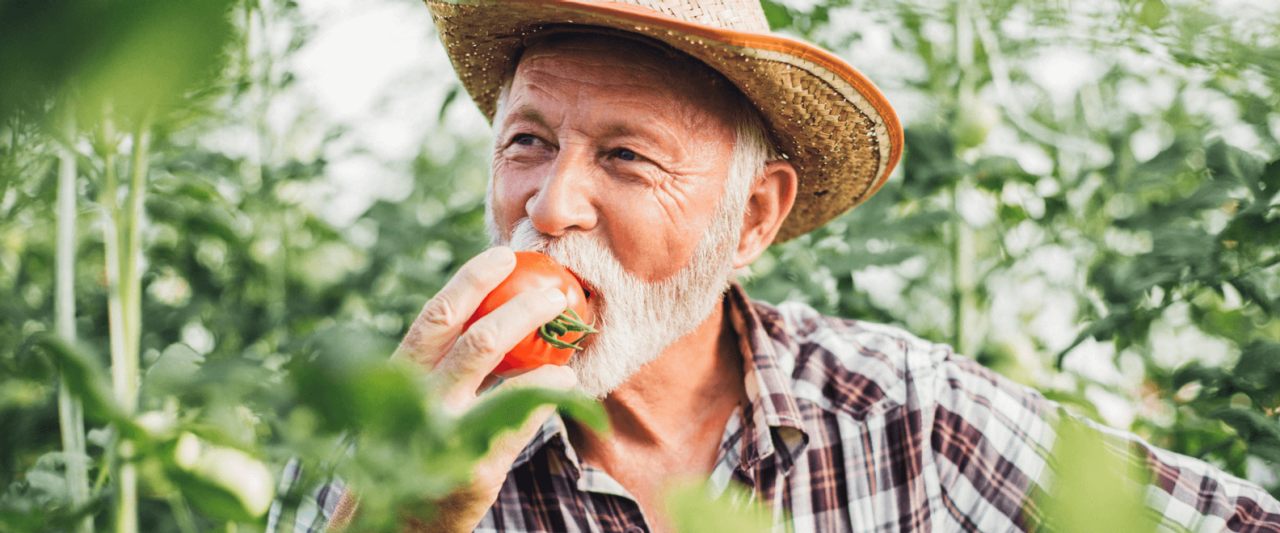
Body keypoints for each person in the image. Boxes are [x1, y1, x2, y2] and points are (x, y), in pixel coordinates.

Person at [270, 0, 1280, 531]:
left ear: (751, 216)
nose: (548, 205)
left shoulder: (904, 415)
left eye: (623, 155)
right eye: (527, 141)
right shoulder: (384, 445)